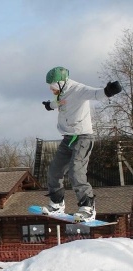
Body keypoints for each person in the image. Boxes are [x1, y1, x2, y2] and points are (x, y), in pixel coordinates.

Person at [42, 66, 122, 222]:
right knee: (54, 170)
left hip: (83, 138)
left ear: (62, 83)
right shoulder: (61, 92)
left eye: (53, 87)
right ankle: (57, 203)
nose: (52, 90)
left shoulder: (79, 90)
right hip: (68, 138)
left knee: (75, 170)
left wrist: (109, 90)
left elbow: (96, 93)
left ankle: (88, 207)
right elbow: (57, 103)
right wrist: (49, 105)